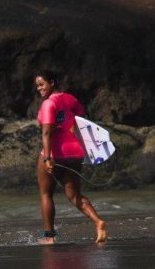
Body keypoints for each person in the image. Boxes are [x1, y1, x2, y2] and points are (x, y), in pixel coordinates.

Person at [34, 70, 107, 244]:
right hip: (75, 151)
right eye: (37, 86)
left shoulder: (48, 104)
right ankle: (98, 222)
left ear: (52, 82)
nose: (39, 89)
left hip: (55, 152)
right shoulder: (70, 99)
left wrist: (47, 157)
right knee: (74, 195)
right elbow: (80, 121)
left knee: (45, 194)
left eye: (42, 84)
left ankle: (49, 237)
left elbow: (46, 132)